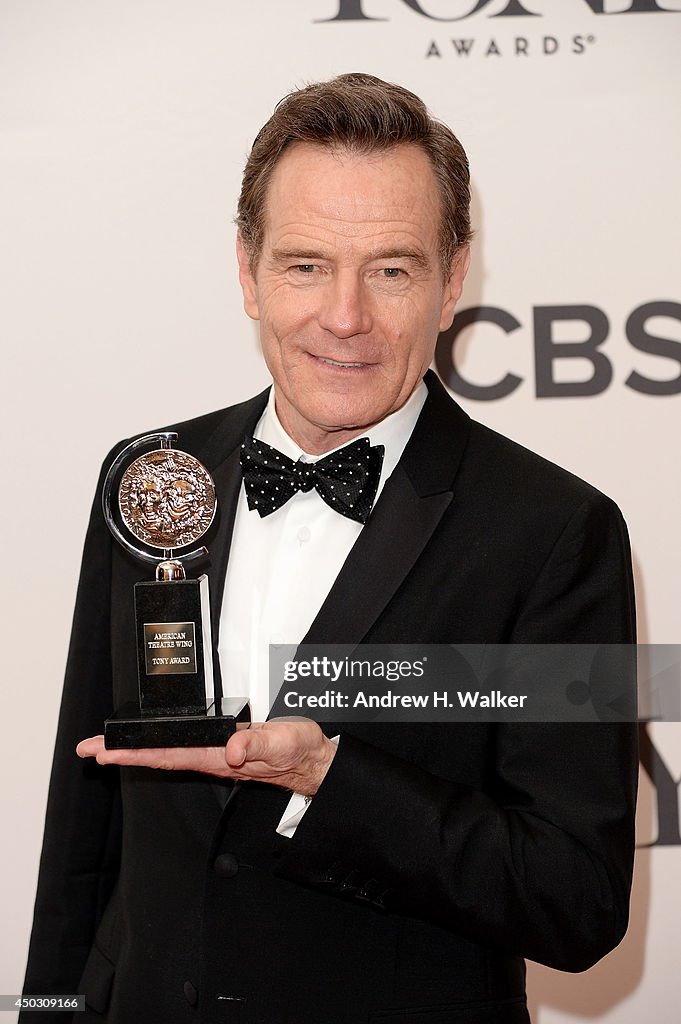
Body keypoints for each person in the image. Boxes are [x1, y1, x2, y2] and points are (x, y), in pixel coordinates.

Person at [22, 74, 637, 1024]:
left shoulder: (554, 532)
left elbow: (575, 897)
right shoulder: (153, 476)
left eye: (390, 269)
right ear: (247, 271)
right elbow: (85, 818)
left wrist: (328, 778)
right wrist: (51, 1010)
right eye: (305, 265)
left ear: (450, 280)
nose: (343, 316)